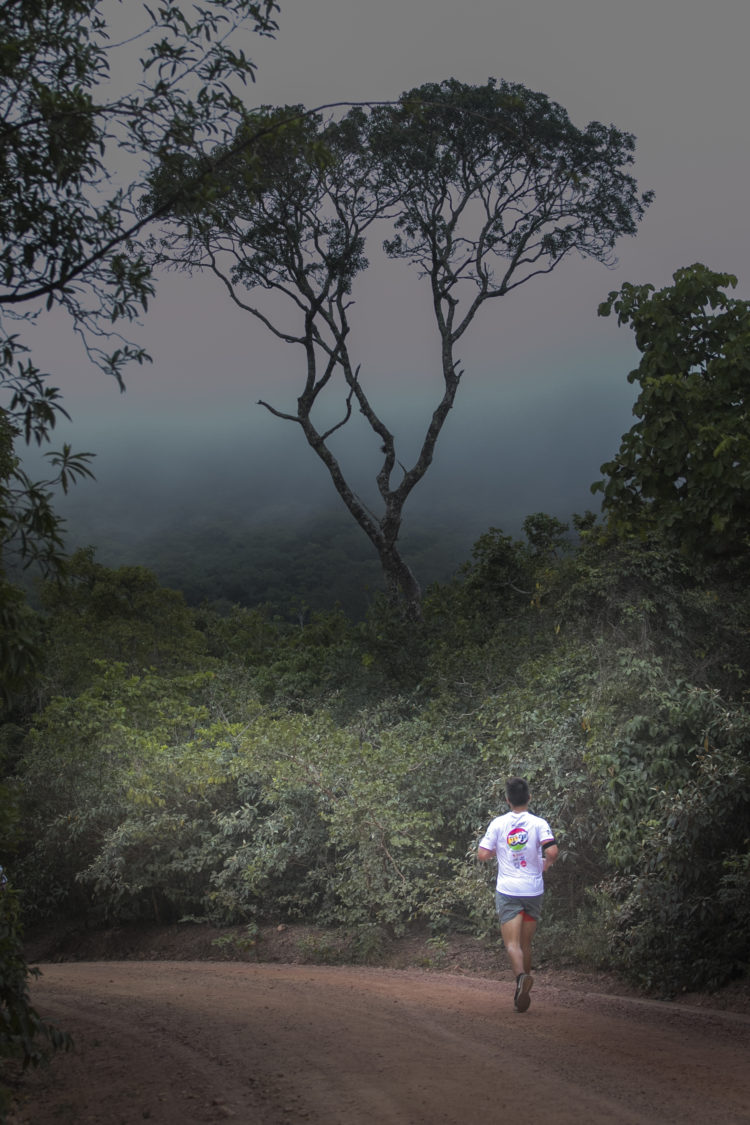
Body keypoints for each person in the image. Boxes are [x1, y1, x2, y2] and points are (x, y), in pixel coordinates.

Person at [477, 777, 558, 1012]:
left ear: (507, 800)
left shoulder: (499, 824)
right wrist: (545, 864)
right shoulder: (538, 823)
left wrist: (498, 852)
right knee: (526, 944)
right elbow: (552, 851)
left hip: (509, 891)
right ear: (529, 798)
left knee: (512, 944)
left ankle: (521, 978)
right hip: (533, 890)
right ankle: (523, 989)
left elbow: (482, 854)